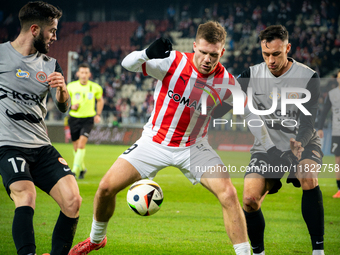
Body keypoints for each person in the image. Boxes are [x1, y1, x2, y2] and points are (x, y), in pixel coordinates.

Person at [69, 21, 298, 255]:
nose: (207, 59)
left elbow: (251, 114)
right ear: (194, 46)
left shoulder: (227, 83)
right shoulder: (173, 62)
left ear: (223, 52)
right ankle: (96, 239)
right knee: (105, 188)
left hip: (194, 147)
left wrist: (270, 148)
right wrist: (147, 53)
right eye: (203, 53)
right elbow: (127, 64)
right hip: (154, 142)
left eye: (214, 54)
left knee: (228, 194)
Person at [0, 2, 81, 255]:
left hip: (41, 146)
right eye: (52, 31)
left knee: (73, 201)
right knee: (26, 195)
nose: (55, 36)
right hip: (8, 145)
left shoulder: (50, 64)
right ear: (35, 29)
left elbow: (63, 107)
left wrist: (63, 92)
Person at [237, 25, 324, 255]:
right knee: (249, 199)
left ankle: (318, 251)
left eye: (276, 54)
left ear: (288, 48)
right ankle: (259, 253)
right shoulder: (250, 75)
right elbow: (241, 108)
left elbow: (308, 123)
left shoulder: (308, 77)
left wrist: (299, 143)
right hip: (267, 148)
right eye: (266, 54)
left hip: (302, 143)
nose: (271, 60)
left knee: (307, 175)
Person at [67, 63, 104, 179]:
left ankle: (74, 170)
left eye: (86, 73)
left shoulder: (95, 87)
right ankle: (82, 169)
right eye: (82, 72)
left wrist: (98, 114)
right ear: (78, 73)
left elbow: (100, 100)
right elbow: (64, 100)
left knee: (81, 144)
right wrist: (70, 106)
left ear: (89, 74)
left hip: (88, 118)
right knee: (76, 147)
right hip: (73, 118)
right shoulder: (71, 86)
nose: (84, 75)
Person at [317, 70, 340, 198]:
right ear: (337, 79)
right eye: (339, 77)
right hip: (337, 131)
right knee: (338, 161)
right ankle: (339, 188)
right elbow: (324, 111)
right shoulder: (332, 94)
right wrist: (320, 128)